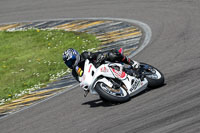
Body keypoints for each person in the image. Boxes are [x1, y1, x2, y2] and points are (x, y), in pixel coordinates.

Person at [63, 48, 140, 82]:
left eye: (71, 61)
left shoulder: (84, 55)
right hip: (95, 78)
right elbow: (81, 81)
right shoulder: (74, 72)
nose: (71, 64)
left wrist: (100, 57)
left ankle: (132, 63)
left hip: (101, 65)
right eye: (68, 63)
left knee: (112, 54)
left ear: (75, 56)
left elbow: (96, 55)